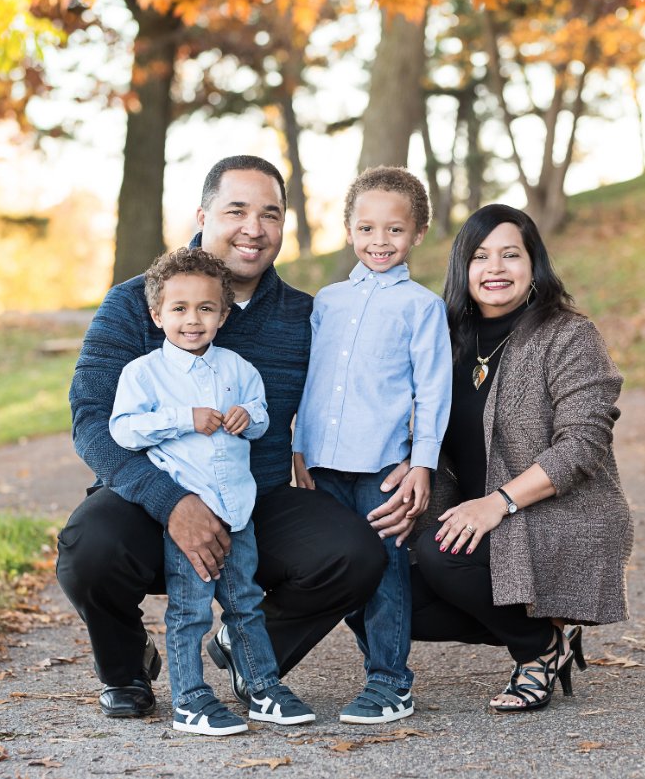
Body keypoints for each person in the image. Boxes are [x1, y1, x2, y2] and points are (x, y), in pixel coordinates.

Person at [57, 155, 417, 720]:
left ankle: (254, 656)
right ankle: (128, 667)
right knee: (90, 549)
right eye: (236, 210)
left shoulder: (305, 314)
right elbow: (92, 420)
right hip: (152, 494)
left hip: (257, 497)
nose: (254, 228)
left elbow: (363, 390)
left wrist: (412, 457)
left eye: (269, 214)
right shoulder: (137, 303)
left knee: (355, 554)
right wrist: (171, 502)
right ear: (203, 215)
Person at [410, 203, 633, 712]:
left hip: (556, 513)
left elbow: (583, 444)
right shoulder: (444, 340)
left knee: (444, 556)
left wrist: (499, 503)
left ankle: (539, 650)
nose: (495, 268)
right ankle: (541, 624)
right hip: (475, 515)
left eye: (511, 255)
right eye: (481, 256)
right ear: (462, 268)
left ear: (534, 265)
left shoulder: (568, 336)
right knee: (386, 586)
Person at [110, 248, 314, 735]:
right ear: (157, 314)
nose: (192, 320)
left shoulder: (238, 368)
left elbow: (264, 417)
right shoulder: (144, 373)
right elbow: (123, 429)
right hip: (191, 517)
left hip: (238, 510)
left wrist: (249, 418)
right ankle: (191, 699)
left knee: (245, 601)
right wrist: (184, 420)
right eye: (179, 309)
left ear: (223, 314)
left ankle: (262, 686)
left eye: (205, 308)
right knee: (190, 610)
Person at [293, 167, 452, 724]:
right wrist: (297, 447)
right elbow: (307, 381)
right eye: (367, 228)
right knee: (340, 573)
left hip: (383, 469)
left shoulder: (422, 307)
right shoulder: (327, 303)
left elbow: (433, 394)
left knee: (383, 570)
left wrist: (423, 466)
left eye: (394, 230)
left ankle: (390, 681)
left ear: (417, 234)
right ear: (348, 230)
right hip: (321, 466)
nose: (379, 242)